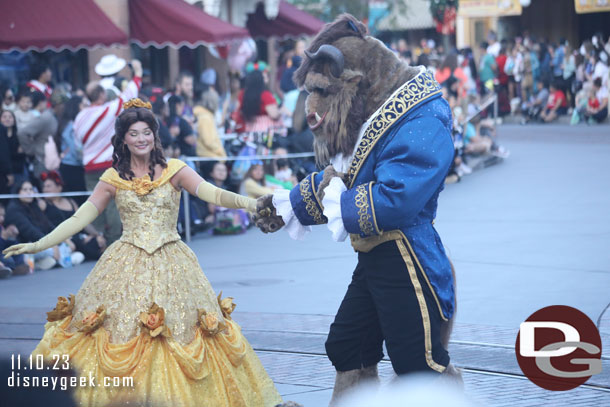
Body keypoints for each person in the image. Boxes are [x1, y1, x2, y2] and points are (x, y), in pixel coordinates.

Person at [3, 98, 282, 407]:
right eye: (134, 133)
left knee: (182, 332)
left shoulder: (174, 170)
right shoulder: (111, 179)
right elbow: (79, 218)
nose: (141, 139)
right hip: (125, 264)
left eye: (146, 132)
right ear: (123, 138)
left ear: (155, 135)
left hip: (173, 265)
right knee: (118, 333)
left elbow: (212, 193)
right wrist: (39, 244)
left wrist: (249, 203)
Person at [74, 59, 142, 245]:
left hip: (89, 167)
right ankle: (113, 241)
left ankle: (98, 239)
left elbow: (77, 142)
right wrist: (137, 73)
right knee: (112, 203)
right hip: (109, 164)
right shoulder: (109, 110)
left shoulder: (80, 116)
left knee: (94, 202)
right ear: (102, 94)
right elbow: (130, 95)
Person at [5, 180, 83, 270]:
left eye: (31, 189)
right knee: (51, 251)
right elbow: (31, 232)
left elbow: (49, 226)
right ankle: (58, 259)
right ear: (17, 192)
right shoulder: (14, 210)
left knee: (75, 252)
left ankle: (48, 261)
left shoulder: (33, 206)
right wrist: (52, 245)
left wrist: (65, 240)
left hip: (42, 244)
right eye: (25, 190)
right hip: (25, 246)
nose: (29, 192)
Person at [41, 170, 106, 260]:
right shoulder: (43, 204)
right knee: (91, 249)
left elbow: (83, 221)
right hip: (62, 239)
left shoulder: (70, 202)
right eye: (44, 187)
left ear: (59, 187)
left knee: (98, 241)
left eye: (48, 186)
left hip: (78, 237)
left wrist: (96, 234)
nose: (45, 190)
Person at [57, 96, 87, 202]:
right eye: (84, 105)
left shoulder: (67, 124)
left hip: (70, 166)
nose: (87, 108)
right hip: (73, 167)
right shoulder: (71, 126)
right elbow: (75, 148)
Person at [194, 89, 226, 159]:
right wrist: (220, 151)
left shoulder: (205, 116)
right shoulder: (205, 118)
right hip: (209, 155)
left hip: (207, 155)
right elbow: (209, 141)